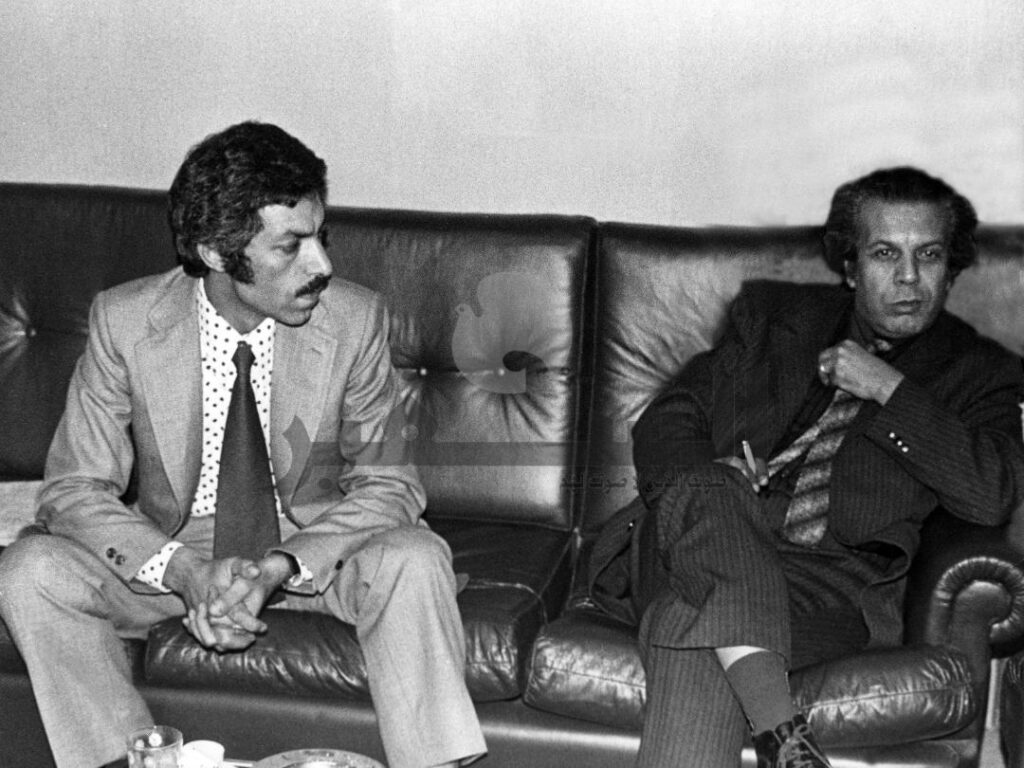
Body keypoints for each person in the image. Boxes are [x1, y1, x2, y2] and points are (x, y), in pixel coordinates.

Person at [0, 121, 486, 768]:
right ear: (215, 253)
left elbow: (389, 486)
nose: (322, 266)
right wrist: (184, 572)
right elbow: (74, 489)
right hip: (174, 550)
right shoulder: (125, 322)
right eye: (290, 247)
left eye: (320, 236)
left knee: (416, 557)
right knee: (30, 570)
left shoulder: (355, 320)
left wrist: (279, 567)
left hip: (313, 548)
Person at [588, 166, 1024, 767]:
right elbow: (670, 417)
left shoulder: (981, 373)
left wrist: (889, 389)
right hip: (690, 540)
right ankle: (782, 735)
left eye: (928, 255)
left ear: (950, 268)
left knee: (695, 629)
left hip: (828, 587)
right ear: (851, 266)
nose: (908, 276)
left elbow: (992, 492)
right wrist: (713, 471)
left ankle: (782, 738)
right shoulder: (774, 319)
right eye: (884, 253)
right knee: (712, 487)